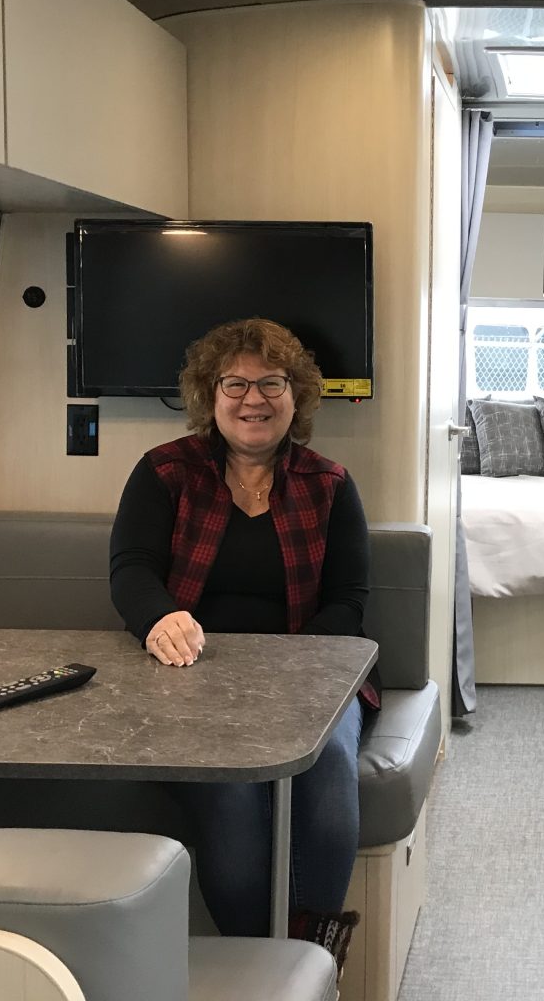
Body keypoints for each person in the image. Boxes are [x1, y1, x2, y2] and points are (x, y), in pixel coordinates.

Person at [109, 317, 378, 966]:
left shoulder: (330, 484)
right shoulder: (164, 472)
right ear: (211, 394)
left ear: (296, 395)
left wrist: (284, 673)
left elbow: (348, 603)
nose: (253, 399)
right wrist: (159, 618)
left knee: (329, 768)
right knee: (229, 791)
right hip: (190, 677)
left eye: (271, 383)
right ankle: (259, 965)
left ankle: (312, 962)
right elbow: (132, 570)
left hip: (311, 677)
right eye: (235, 383)